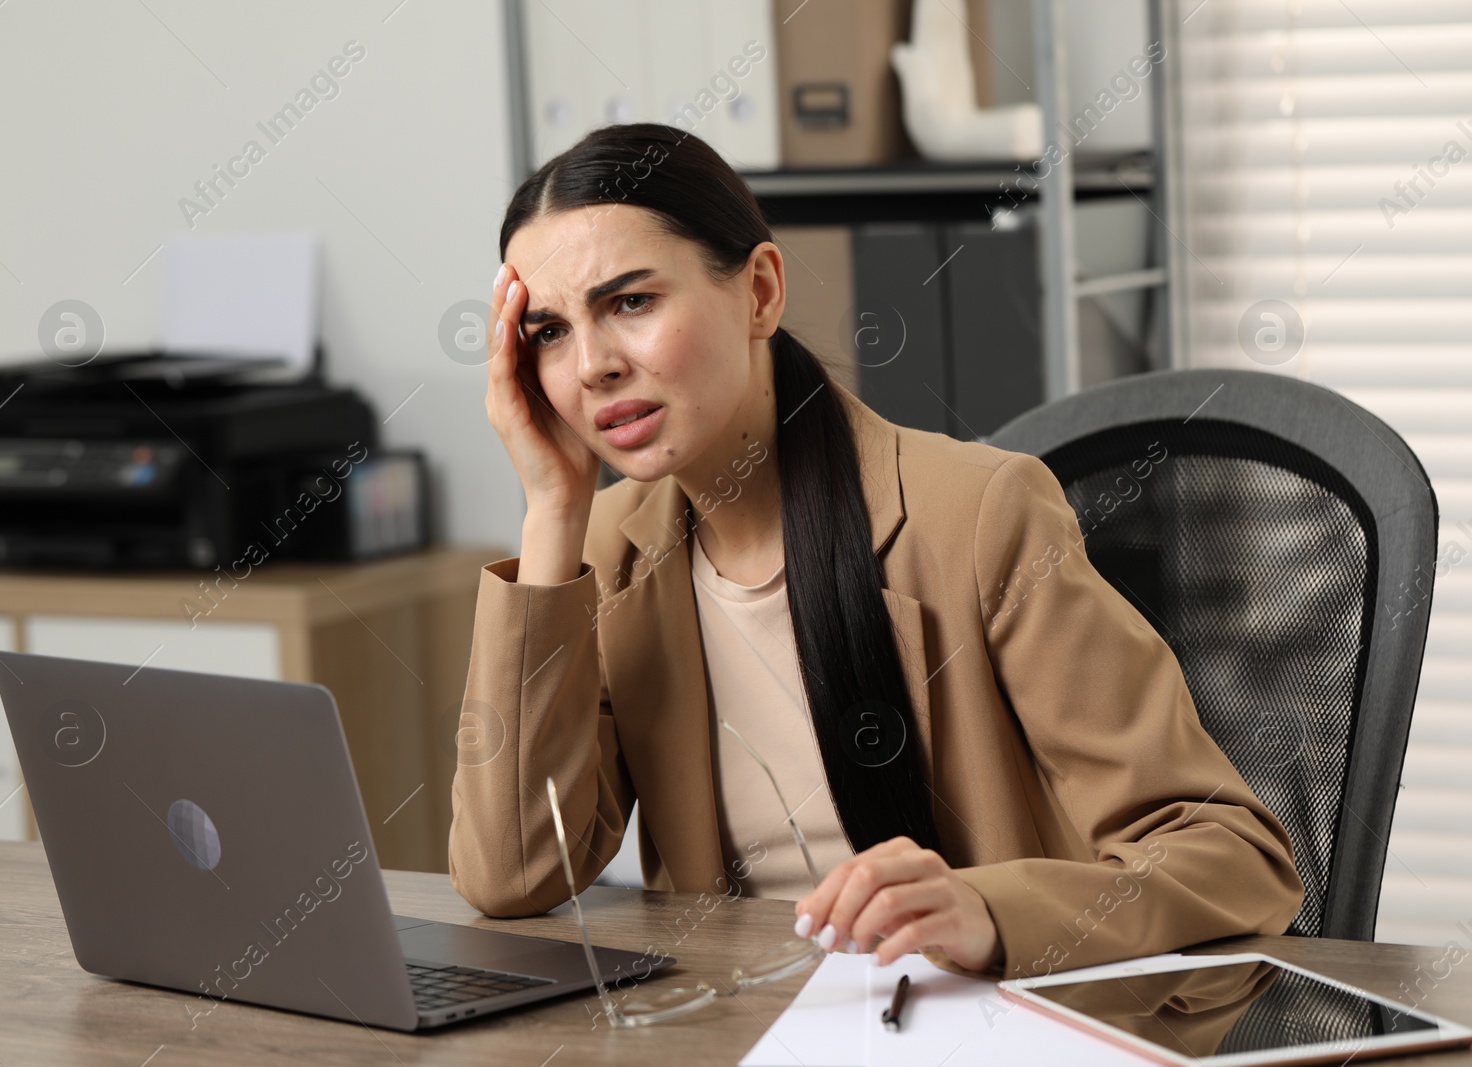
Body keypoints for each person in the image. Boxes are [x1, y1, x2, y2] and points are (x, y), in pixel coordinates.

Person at [447, 122, 1302, 980]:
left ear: (760, 292)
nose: (591, 365)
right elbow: (514, 873)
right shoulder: (607, 556)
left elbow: (1234, 856)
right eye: (549, 331)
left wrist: (989, 909)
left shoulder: (980, 517)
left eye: (630, 302)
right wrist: (552, 513)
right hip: (739, 1030)